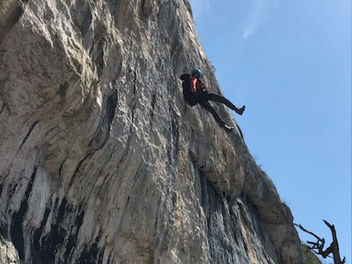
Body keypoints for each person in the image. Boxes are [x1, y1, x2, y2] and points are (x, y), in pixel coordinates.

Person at [180, 68, 245, 132]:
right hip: (201, 96)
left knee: (213, 111)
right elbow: (193, 84)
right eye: (199, 75)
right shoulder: (194, 78)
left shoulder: (189, 80)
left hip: (198, 99)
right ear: (197, 74)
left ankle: (225, 127)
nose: (199, 77)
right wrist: (194, 89)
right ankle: (237, 110)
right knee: (222, 100)